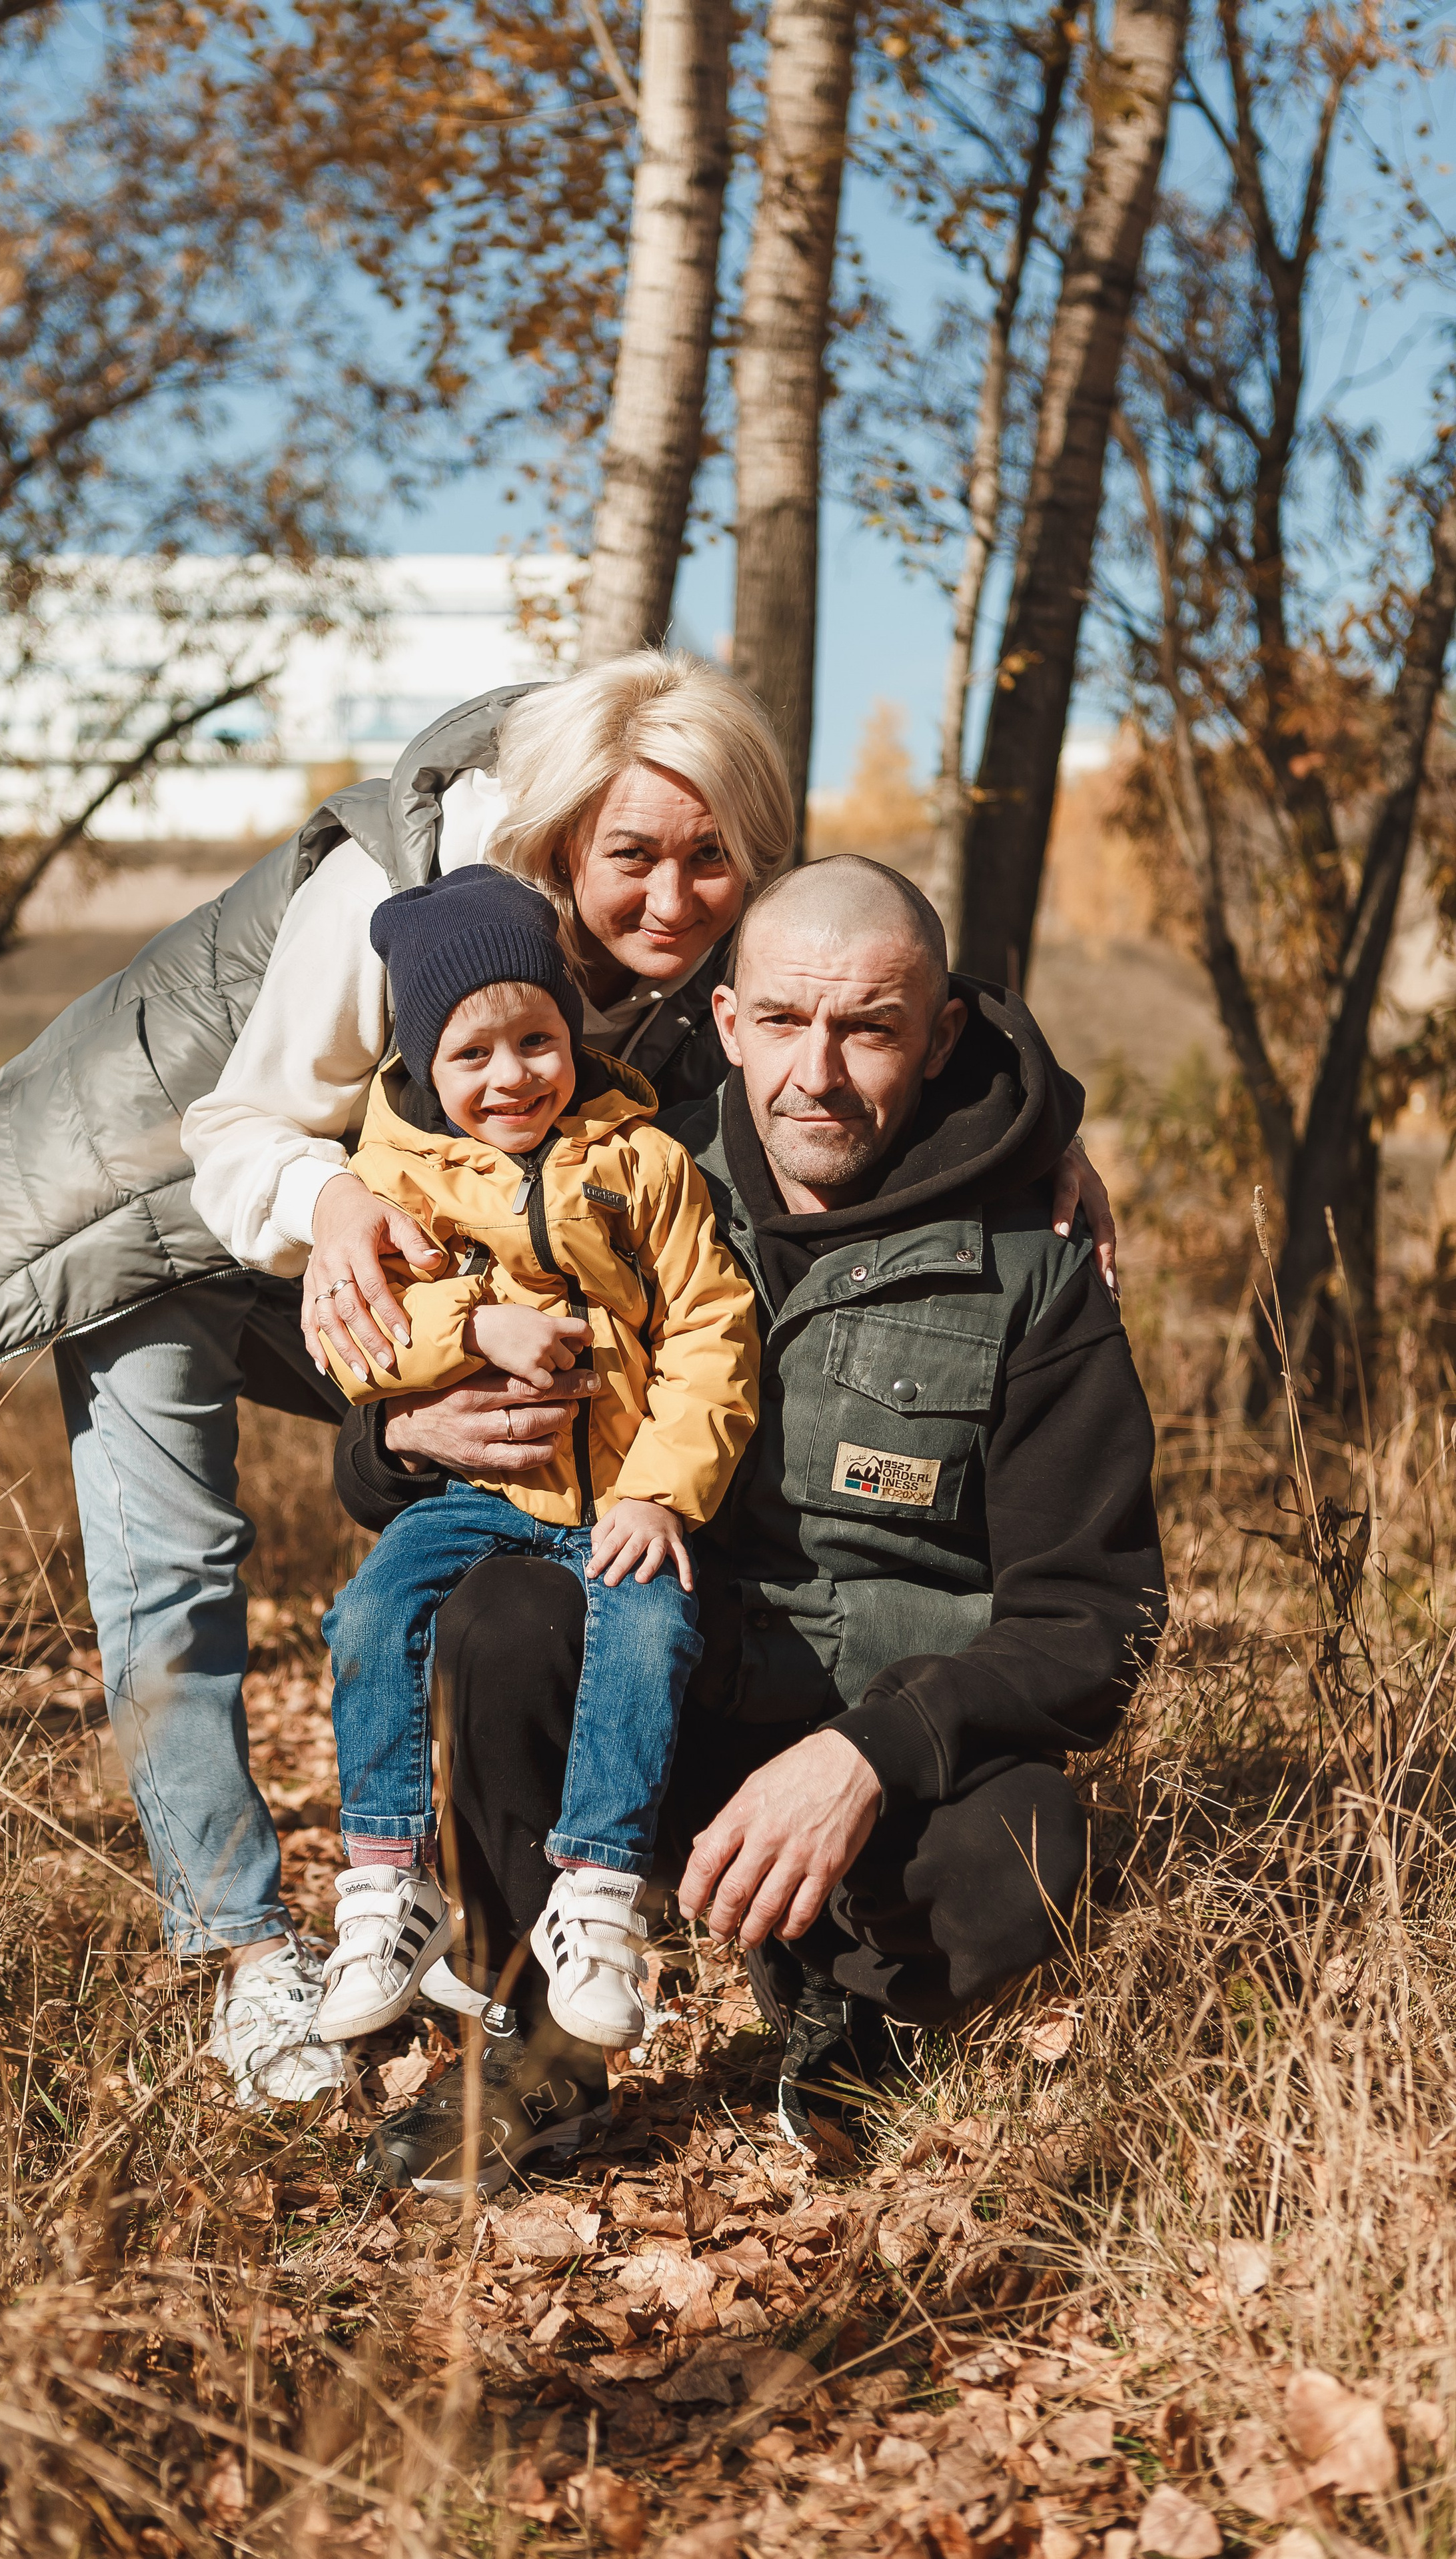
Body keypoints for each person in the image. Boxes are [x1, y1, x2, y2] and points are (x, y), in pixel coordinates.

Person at [0, 650, 1115, 2115]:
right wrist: (335, 1240)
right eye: (631, 858)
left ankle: (521, 1898)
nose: (677, 901)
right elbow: (238, 1125)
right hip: (182, 1218)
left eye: (716, 863)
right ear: (562, 837)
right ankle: (249, 1952)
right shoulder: (388, 903)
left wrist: (1038, 1124)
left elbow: (863, 974)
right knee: (175, 1566)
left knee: (520, 1533)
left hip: (436, 1256)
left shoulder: (688, 888)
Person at [333, 856, 1166, 2193]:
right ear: (725, 1021)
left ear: (940, 1032)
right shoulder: (610, 1175)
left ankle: (850, 2012)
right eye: (780, 1023)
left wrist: (867, 1755)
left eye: (869, 1030)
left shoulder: (1033, 1261)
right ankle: (532, 2042)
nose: (816, 1075)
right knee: (500, 1615)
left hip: (872, 1753)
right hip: (643, 1715)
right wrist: (394, 1439)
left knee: (1028, 1849)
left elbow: (1095, 1621)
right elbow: (395, 1412)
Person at [308, 866, 757, 2048]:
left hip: (618, 1496)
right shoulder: (393, 1183)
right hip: (475, 1493)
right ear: (422, 1067)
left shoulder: (645, 1164)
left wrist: (664, 1493)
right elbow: (353, 1348)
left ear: (571, 1030)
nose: (513, 1076)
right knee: (371, 1612)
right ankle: (387, 1881)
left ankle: (599, 1897)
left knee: (651, 1627)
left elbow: (713, 1330)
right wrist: (472, 1327)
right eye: (473, 1057)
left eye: (537, 1039)